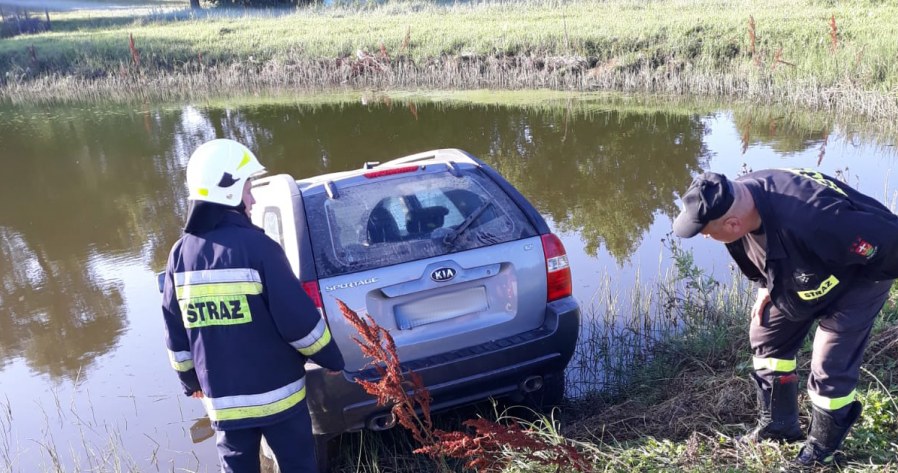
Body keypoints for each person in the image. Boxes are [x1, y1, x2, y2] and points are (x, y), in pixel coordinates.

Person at [672, 168, 898, 467]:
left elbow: (890, 242)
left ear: (732, 223)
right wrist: (766, 285)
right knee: (765, 332)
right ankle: (780, 426)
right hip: (801, 270)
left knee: (830, 363)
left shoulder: (820, 219)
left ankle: (821, 450)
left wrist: (849, 295)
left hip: (859, 279)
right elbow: (758, 250)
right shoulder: (740, 200)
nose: (704, 236)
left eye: (707, 232)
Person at [161, 138, 345, 472]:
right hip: (279, 399)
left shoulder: (179, 255)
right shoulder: (259, 248)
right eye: (248, 188)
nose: (253, 198)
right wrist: (330, 357)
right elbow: (299, 322)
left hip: (224, 405)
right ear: (228, 190)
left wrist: (190, 381)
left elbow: (176, 332)